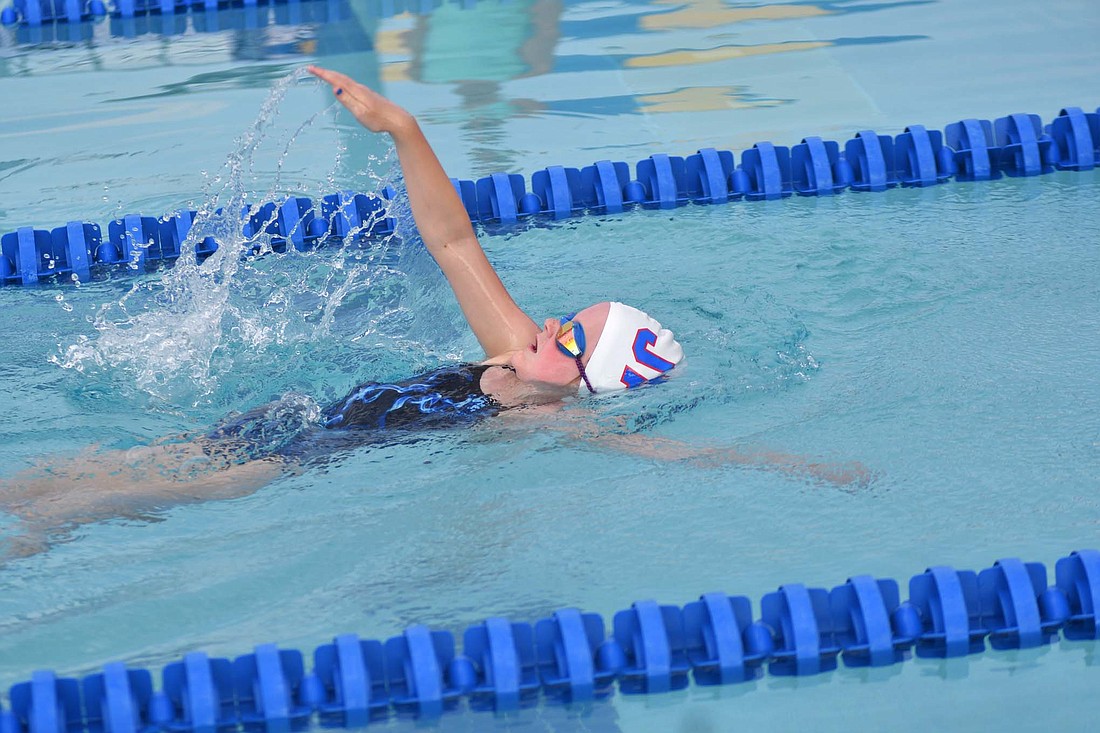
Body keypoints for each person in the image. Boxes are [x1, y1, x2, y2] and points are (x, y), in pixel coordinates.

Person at [0, 68, 869, 558]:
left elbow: (679, 452)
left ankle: (49, 529)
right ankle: (25, 496)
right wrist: (403, 129)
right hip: (301, 412)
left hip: (319, 455)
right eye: (563, 318)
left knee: (172, 489)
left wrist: (803, 468)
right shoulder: (509, 348)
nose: (545, 326)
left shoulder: (550, 426)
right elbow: (452, 240)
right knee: (145, 456)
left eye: (567, 338)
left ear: (587, 384)